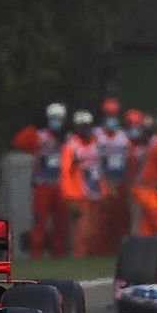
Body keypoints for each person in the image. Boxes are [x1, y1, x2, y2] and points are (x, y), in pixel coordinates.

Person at [12, 103, 70, 258]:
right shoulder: (40, 136)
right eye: (53, 118)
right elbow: (19, 141)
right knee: (39, 222)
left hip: (61, 185)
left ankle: (58, 254)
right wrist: (33, 128)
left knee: (61, 223)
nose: (56, 121)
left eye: (59, 119)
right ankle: (36, 254)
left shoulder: (68, 138)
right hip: (43, 184)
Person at [60, 110, 104, 257]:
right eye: (82, 126)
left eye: (87, 125)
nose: (85, 129)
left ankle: (94, 258)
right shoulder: (71, 147)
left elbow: (102, 168)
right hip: (80, 195)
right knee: (82, 231)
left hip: (97, 193)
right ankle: (79, 257)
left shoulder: (98, 143)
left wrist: (106, 191)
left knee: (96, 230)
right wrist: (70, 198)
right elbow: (66, 174)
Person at [93, 100, 133, 254]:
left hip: (120, 181)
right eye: (109, 114)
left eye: (114, 114)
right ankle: (101, 251)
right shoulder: (97, 135)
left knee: (121, 218)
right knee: (103, 220)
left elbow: (129, 161)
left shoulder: (123, 136)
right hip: (102, 181)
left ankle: (121, 249)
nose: (111, 117)